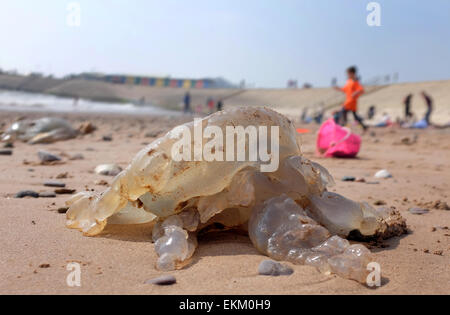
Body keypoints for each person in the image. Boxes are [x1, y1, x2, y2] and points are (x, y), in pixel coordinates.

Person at [334, 66, 367, 130]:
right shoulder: (349, 81)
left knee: (343, 112)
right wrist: (338, 88)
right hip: (349, 101)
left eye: (348, 73)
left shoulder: (355, 81)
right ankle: (364, 127)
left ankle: (342, 126)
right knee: (355, 116)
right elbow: (345, 89)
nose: (347, 75)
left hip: (351, 102)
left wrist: (356, 92)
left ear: (352, 73)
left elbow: (362, 90)